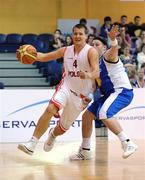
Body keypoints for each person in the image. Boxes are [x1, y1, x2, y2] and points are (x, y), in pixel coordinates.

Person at [17, 23, 100, 155]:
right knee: (50, 109)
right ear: (72, 35)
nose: (77, 36)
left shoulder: (91, 52)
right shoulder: (65, 50)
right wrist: (29, 54)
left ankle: (53, 135)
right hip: (66, 87)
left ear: (86, 36)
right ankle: (32, 143)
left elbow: (97, 72)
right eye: (75, 33)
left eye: (80, 34)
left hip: (81, 96)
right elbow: (44, 57)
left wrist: (88, 75)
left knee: (62, 128)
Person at [69, 26, 138, 160]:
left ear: (104, 48)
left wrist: (113, 40)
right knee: (87, 116)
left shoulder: (107, 56)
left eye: (97, 44)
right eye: (92, 44)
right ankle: (85, 150)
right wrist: (85, 97)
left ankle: (128, 143)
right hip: (108, 95)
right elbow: (93, 87)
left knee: (104, 113)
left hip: (121, 92)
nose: (93, 46)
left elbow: (114, 50)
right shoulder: (93, 65)